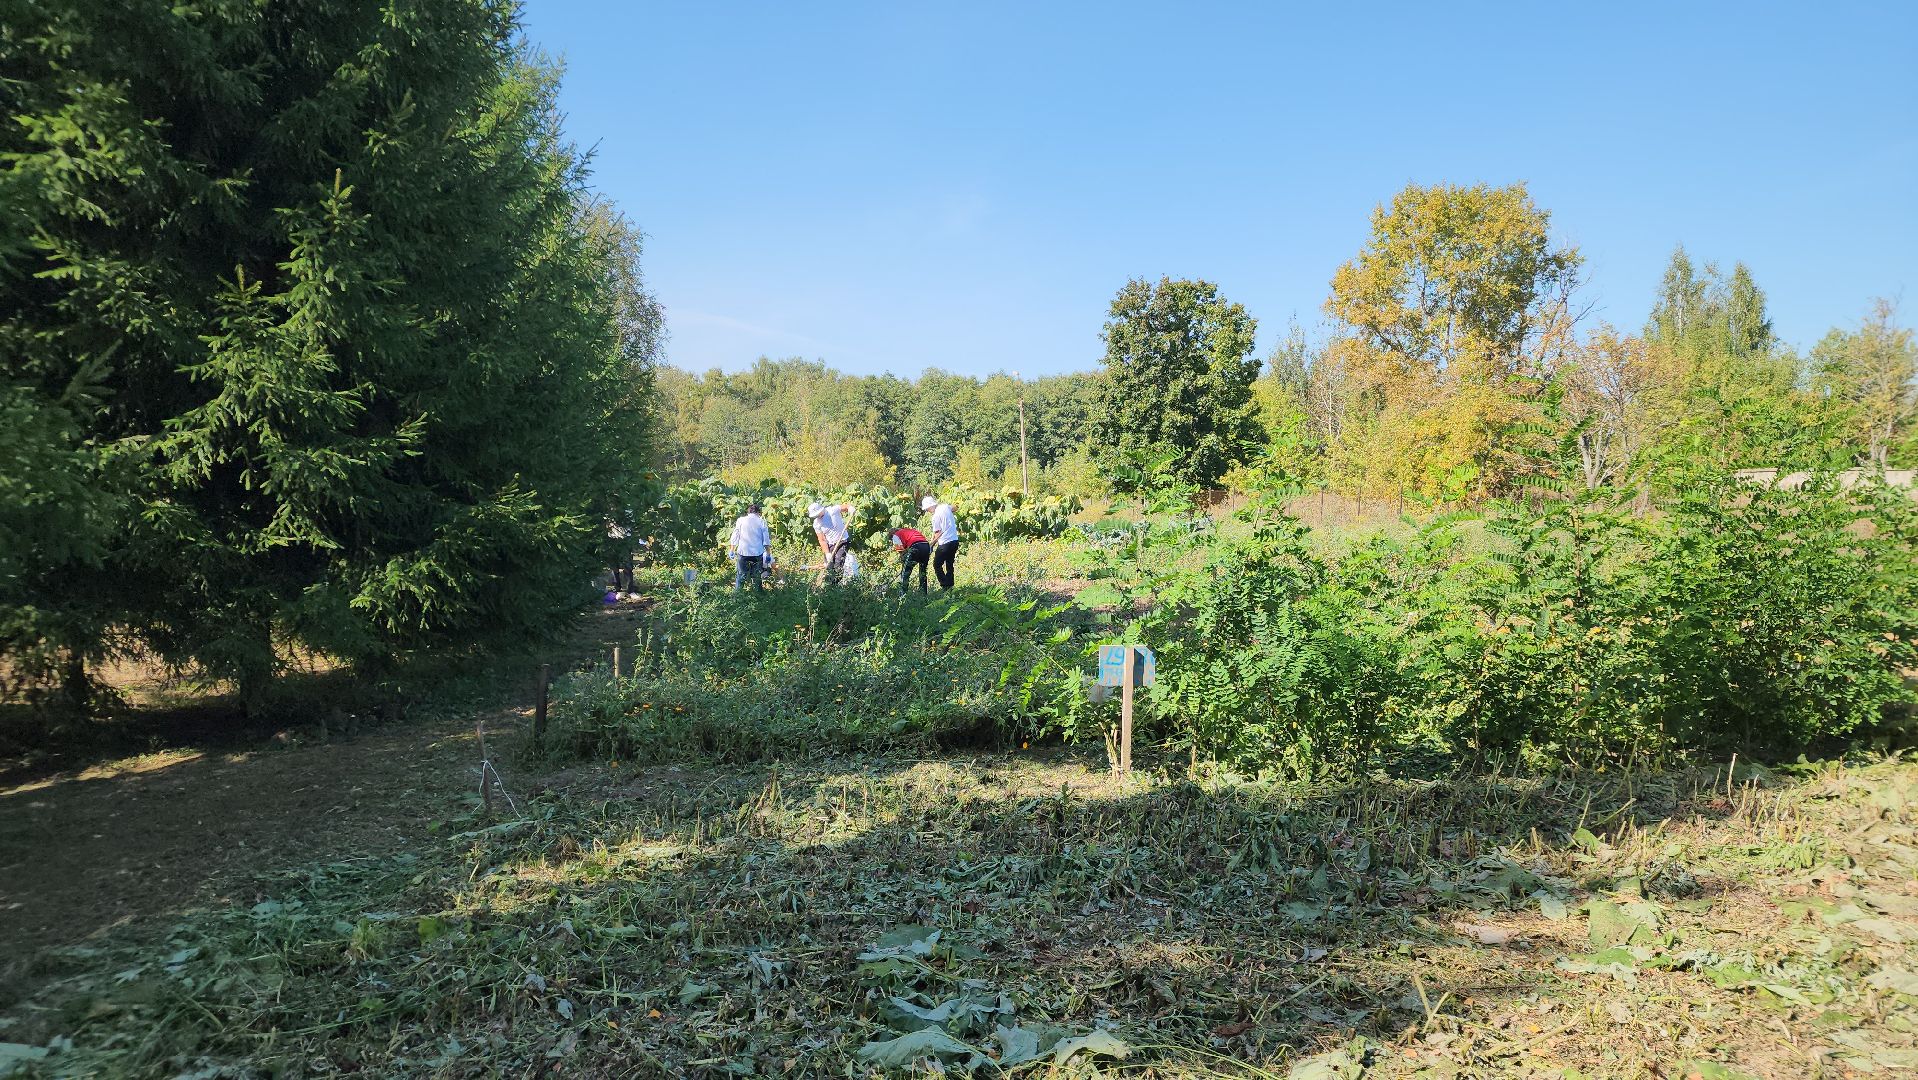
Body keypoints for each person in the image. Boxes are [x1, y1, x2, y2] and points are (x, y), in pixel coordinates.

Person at [728, 502, 771, 592]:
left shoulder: (741, 520)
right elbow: (766, 539)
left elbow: (735, 535)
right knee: (756, 577)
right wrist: (768, 553)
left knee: (741, 575)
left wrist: (732, 549)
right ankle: (758, 597)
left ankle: (737, 596)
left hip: (743, 552)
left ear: (748, 512)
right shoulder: (761, 521)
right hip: (757, 552)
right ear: (758, 513)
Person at [807, 500, 853, 582]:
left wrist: (850, 509)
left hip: (843, 541)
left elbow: (845, 506)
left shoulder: (832, 510)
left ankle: (836, 585)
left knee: (838, 564)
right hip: (830, 544)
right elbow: (822, 540)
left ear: (821, 510)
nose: (817, 516)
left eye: (817, 514)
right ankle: (827, 584)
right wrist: (827, 553)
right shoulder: (816, 523)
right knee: (829, 565)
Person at [923, 495, 960, 589]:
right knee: (949, 564)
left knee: (937, 564)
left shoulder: (935, 517)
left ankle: (945, 585)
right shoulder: (945, 507)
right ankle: (950, 585)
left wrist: (931, 545)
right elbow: (955, 508)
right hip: (954, 540)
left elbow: (938, 533)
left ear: (930, 506)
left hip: (945, 543)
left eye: (927, 509)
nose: (927, 511)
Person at [890, 523, 932, 593]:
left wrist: (903, 560)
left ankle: (903, 595)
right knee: (923, 572)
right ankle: (923, 594)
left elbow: (901, 551)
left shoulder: (895, 535)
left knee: (905, 572)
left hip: (915, 546)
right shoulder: (909, 531)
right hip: (926, 546)